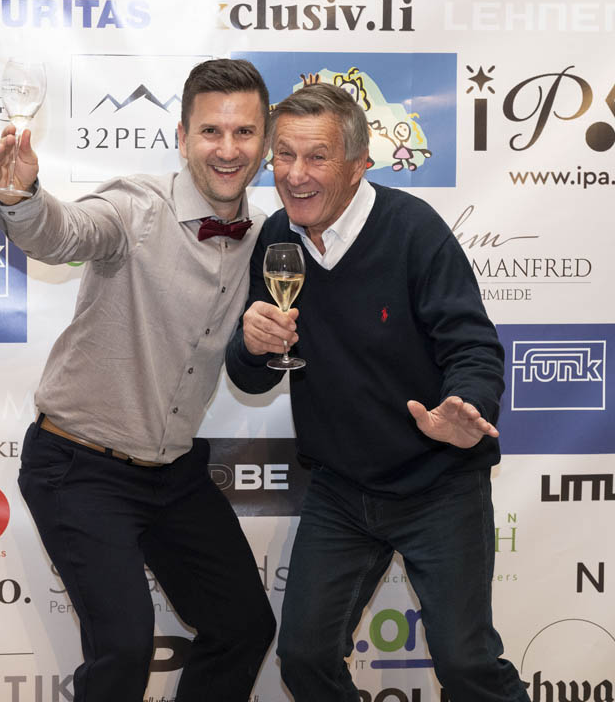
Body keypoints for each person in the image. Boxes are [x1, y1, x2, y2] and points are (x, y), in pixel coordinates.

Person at [225, 83, 530, 702]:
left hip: (437, 482)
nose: (295, 175)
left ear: (360, 164)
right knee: (305, 657)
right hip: (341, 488)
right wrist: (250, 345)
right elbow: (255, 374)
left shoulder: (412, 229)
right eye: (285, 155)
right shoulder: (278, 238)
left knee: (466, 664)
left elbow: (472, 344)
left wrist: (466, 406)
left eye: (317, 157)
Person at [0, 58, 276, 702]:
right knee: (123, 650)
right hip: (80, 465)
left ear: (264, 141)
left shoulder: (265, 236)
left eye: (244, 132)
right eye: (210, 131)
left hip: (172, 472)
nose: (227, 149)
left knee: (244, 626)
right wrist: (21, 199)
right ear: (182, 137)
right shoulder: (137, 206)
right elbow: (64, 232)